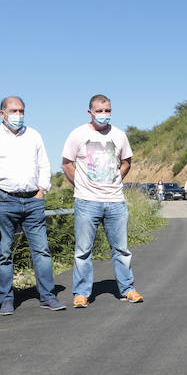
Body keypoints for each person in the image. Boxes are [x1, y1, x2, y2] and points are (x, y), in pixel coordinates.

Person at [62, 94, 143, 307]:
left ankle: (128, 289)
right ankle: (81, 293)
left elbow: (126, 162)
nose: (104, 115)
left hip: (115, 201)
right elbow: (66, 163)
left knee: (122, 249)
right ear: (90, 112)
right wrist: (80, 186)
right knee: (83, 250)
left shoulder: (119, 135)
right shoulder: (78, 134)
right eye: (99, 111)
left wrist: (117, 178)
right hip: (87, 201)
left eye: (107, 110)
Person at [0, 96, 64, 313]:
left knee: (41, 251)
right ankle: (6, 299)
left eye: (21, 111)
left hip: (33, 200)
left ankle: (48, 296)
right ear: (2, 114)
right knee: (3, 252)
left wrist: (42, 190)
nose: (18, 116)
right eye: (13, 111)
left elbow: (44, 164)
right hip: (5, 199)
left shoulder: (34, 135)